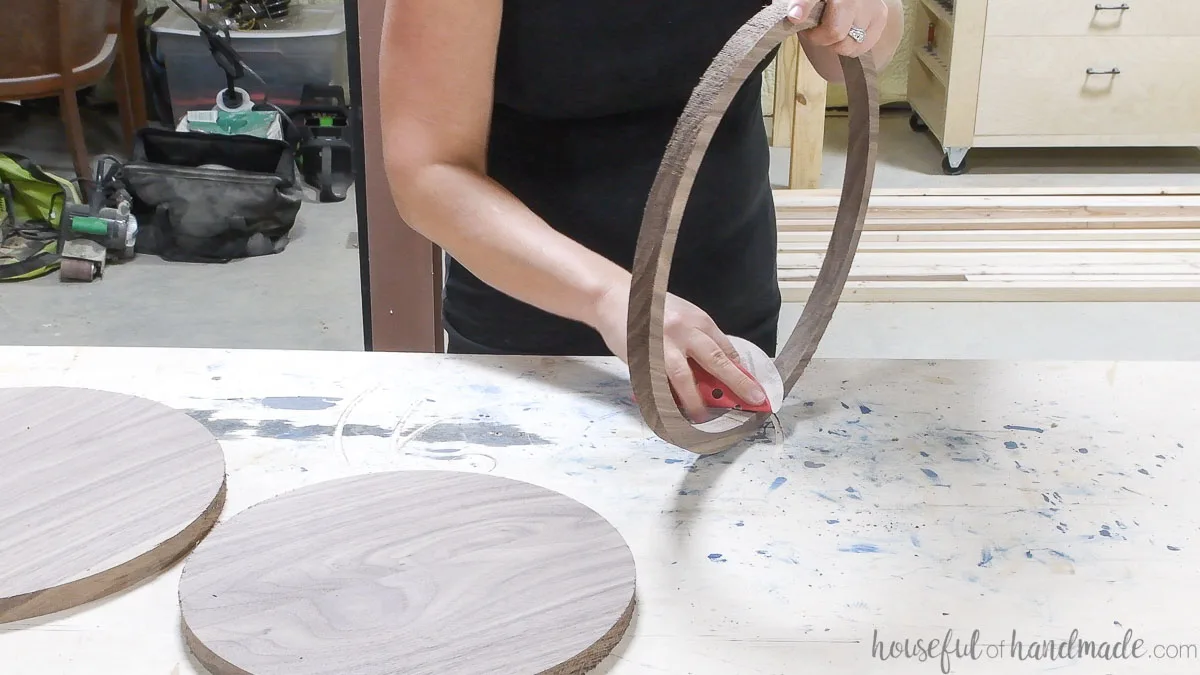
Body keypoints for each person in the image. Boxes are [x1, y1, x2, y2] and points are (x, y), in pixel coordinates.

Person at [379, 0, 903, 421]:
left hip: (723, 301)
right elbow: (430, 174)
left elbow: (849, 59)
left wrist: (862, 14)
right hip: (534, 312)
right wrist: (612, 297)